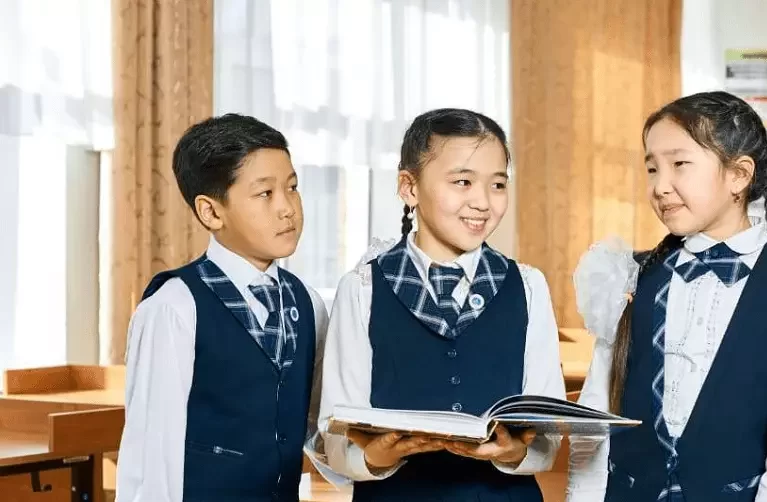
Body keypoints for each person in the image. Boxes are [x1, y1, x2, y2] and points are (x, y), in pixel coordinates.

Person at [566, 91, 767, 501]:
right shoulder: (628, 272)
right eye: (652, 168)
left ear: (739, 175)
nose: (660, 186)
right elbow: (595, 412)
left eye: (679, 164)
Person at [313, 108, 565, 501]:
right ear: (409, 188)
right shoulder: (363, 288)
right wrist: (377, 457)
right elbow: (335, 434)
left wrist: (514, 452)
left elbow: (547, 434)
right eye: (463, 182)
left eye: (498, 184)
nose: (483, 202)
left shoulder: (528, 286)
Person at [117, 113, 329, 501]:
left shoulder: (308, 304)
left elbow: (318, 430)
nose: (287, 208)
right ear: (211, 212)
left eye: (292, 187)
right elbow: (151, 458)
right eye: (265, 193)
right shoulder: (175, 307)